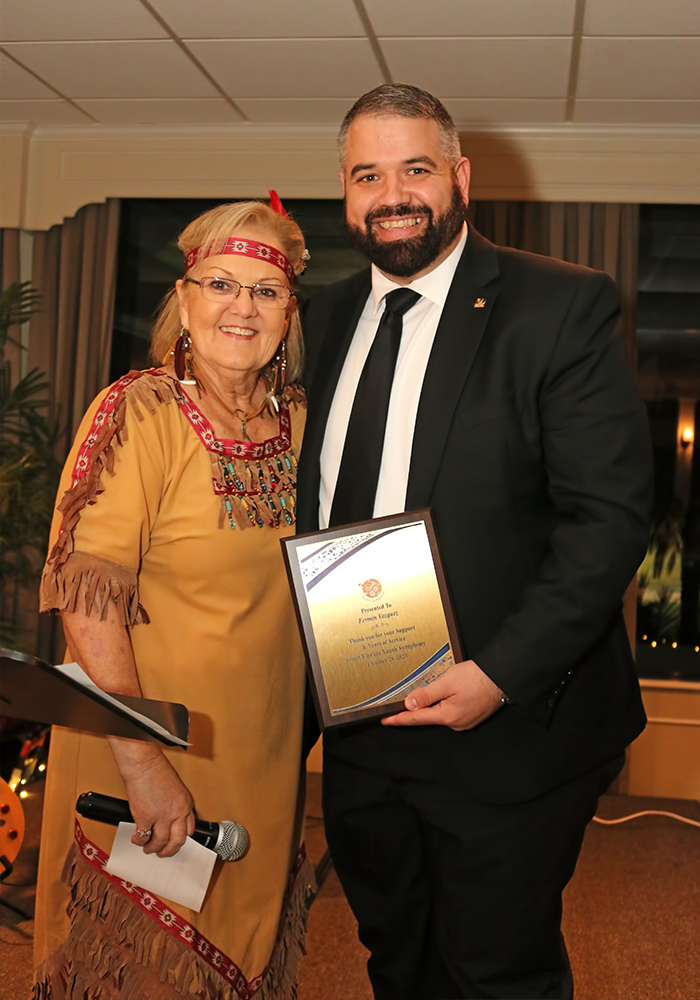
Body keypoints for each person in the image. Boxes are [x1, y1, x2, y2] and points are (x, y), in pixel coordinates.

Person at [298, 84, 652, 1000]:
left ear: (459, 175)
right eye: (366, 175)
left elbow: (608, 522)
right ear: (343, 191)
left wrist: (495, 675)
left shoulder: (561, 306)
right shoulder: (322, 317)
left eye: (415, 168)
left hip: (507, 725)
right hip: (363, 730)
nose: (392, 194)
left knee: (498, 972)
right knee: (396, 959)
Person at [33, 199, 314, 1000]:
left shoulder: (301, 423)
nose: (242, 307)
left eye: (266, 291)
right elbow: (87, 603)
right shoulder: (139, 412)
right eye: (222, 284)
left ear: (288, 314)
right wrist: (144, 761)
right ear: (185, 300)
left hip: (259, 757)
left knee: (237, 967)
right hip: (145, 753)